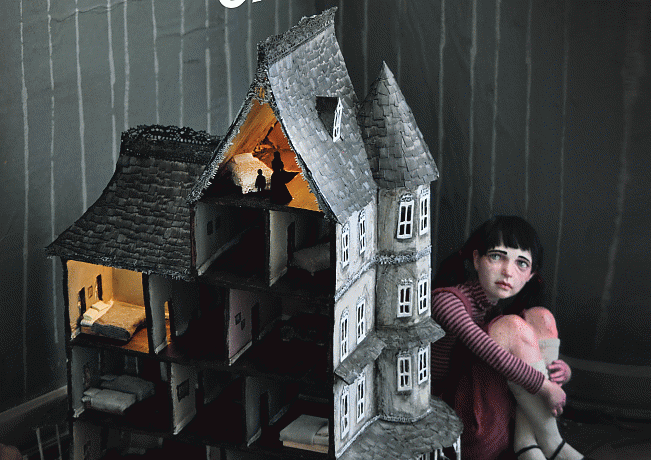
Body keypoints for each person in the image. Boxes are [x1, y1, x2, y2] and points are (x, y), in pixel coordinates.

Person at [431, 216, 593, 460]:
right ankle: (553, 444)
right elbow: (487, 350)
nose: (508, 271)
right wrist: (545, 386)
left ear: (530, 275)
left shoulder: (492, 310)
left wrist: (560, 372)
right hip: (455, 421)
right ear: (476, 259)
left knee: (540, 317)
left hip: (498, 416)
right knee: (512, 326)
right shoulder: (447, 301)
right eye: (497, 256)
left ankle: (527, 443)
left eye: (521, 263)